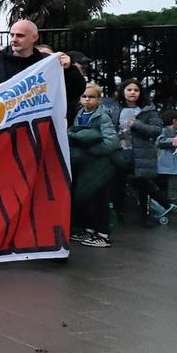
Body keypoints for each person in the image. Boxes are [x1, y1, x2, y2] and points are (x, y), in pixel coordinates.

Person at [0, 19, 79, 95]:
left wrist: (69, 69)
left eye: (20, 35)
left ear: (34, 37)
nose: (14, 40)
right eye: (12, 35)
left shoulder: (47, 62)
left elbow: (76, 91)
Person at [68, 83, 119, 248]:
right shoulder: (79, 114)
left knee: (100, 199)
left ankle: (103, 234)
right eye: (84, 96)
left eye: (91, 97)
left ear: (98, 100)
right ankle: (89, 229)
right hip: (87, 165)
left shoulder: (103, 117)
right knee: (86, 197)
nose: (87, 99)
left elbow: (111, 142)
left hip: (101, 164)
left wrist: (91, 150)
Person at [116, 80, 170, 226]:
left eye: (136, 90)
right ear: (123, 91)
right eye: (129, 89)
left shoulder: (148, 110)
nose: (132, 92)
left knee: (143, 186)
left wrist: (136, 124)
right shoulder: (116, 109)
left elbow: (156, 130)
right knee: (118, 185)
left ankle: (144, 216)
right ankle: (119, 216)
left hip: (141, 154)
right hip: (120, 153)